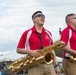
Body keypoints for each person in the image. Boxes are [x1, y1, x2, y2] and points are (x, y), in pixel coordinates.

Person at [16, 11, 61, 75]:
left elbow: (52, 50)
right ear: (33, 20)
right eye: (39, 15)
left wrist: (57, 66)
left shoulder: (48, 33)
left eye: (43, 16)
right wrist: (31, 52)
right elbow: (18, 50)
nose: (42, 17)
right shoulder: (27, 33)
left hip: (49, 64)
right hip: (34, 65)